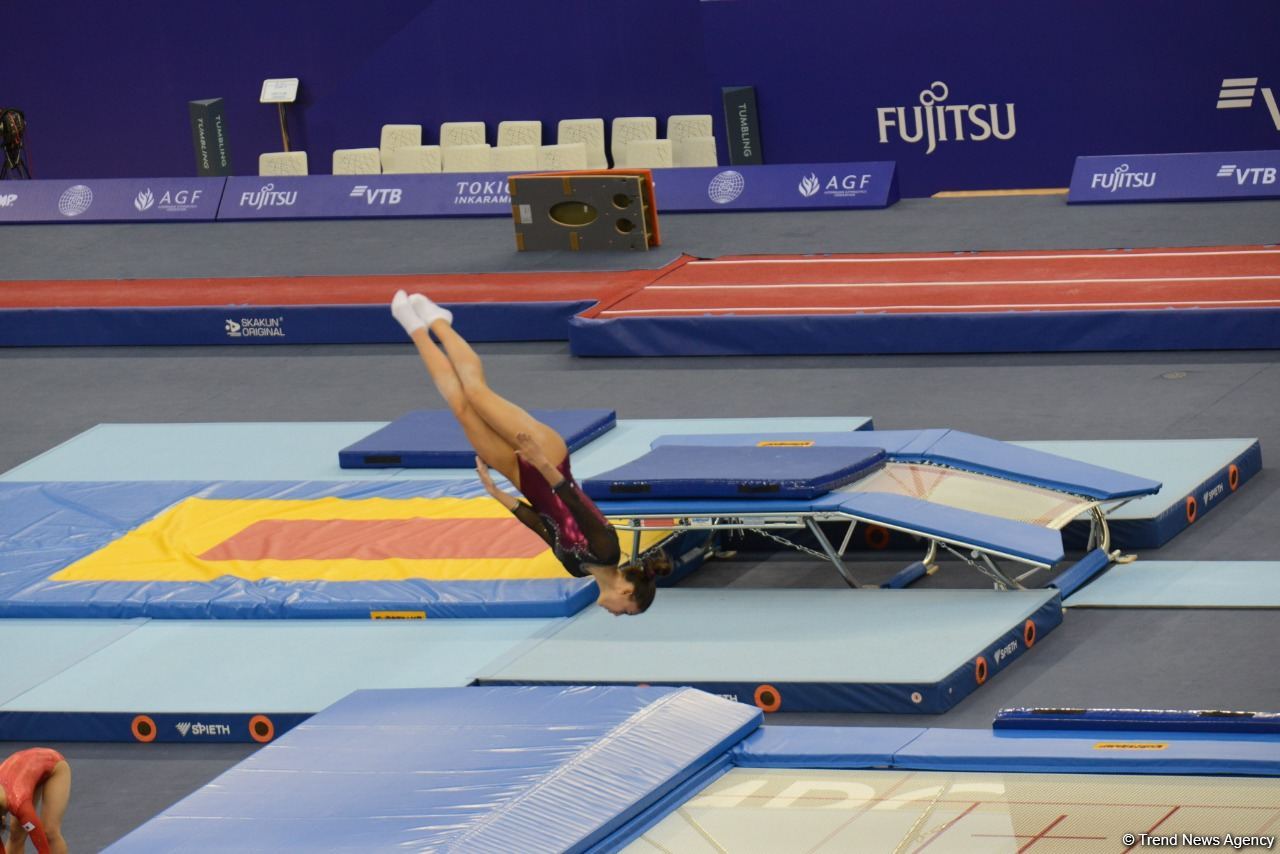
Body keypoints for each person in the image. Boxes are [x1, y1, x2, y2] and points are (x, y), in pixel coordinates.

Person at [390, 290, 670, 614]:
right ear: (627, 590)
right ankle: (440, 322)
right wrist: (539, 460)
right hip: (550, 460)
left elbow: (543, 526)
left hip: (523, 479)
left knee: (461, 407)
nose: (617, 613)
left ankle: (416, 330)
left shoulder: (576, 569)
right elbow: (574, 502)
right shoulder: (607, 549)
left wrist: (498, 494)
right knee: (476, 393)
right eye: (626, 610)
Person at [0, 748, 70, 854]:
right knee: (16, 834)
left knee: (49, 832)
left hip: (54, 765)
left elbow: (43, 849)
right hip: (24, 772)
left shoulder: (20, 805)